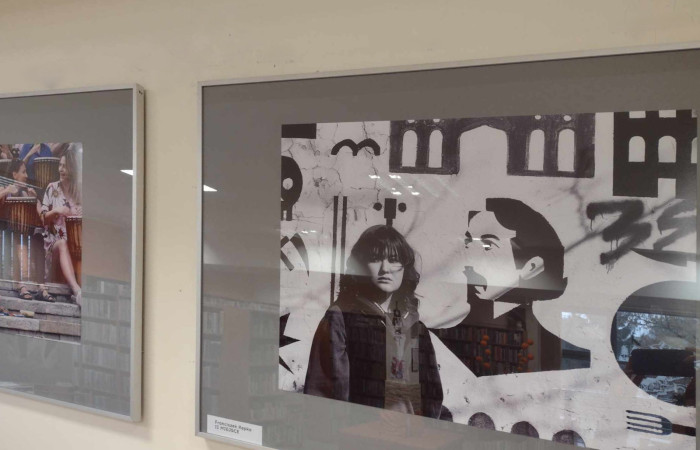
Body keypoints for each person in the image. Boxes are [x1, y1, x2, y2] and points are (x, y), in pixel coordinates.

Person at [432, 198, 590, 376]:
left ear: (531, 267)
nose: (468, 259)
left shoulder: (546, 343)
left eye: (487, 245)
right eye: (468, 243)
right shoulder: (446, 326)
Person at [304, 225, 443, 418]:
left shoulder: (416, 327)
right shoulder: (341, 318)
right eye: (376, 259)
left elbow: (432, 397)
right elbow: (321, 393)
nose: (385, 268)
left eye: (393, 260)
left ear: (405, 267)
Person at [40, 148, 82, 306]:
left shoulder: (79, 191)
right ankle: (77, 290)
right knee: (63, 244)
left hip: (76, 244)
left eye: (65, 166)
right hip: (54, 245)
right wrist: (56, 210)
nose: (61, 169)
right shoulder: (52, 188)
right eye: (60, 165)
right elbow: (43, 219)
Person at [0, 159, 41, 300]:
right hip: (5, 235)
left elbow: (36, 222)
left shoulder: (25, 193)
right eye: (23, 172)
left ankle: (28, 283)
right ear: (14, 174)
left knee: (25, 238)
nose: (26, 176)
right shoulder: (4, 187)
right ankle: (20, 284)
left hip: (19, 237)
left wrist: (33, 200)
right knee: (15, 237)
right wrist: (6, 191)